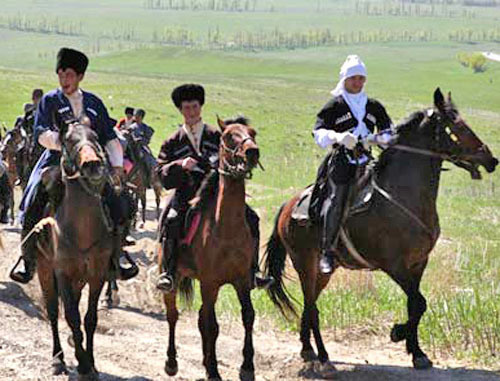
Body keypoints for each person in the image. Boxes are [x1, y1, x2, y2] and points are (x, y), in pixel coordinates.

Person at [10, 47, 138, 284]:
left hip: (92, 163)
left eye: (69, 74)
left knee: (116, 198)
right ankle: (27, 259)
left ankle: (119, 253)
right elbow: (40, 133)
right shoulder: (49, 100)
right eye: (60, 74)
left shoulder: (94, 103)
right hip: (57, 159)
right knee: (34, 195)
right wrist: (66, 144)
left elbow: (109, 137)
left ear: (80, 76)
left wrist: (118, 166)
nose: (64, 79)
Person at [155, 83, 273, 292]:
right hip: (185, 194)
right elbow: (160, 173)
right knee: (171, 219)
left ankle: (253, 270)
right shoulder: (172, 141)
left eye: (194, 107)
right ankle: (170, 272)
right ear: (181, 111)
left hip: (217, 194)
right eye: (186, 108)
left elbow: (233, 156)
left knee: (252, 217)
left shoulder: (217, 135)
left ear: (201, 108)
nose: (191, 112)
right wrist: (179, 165)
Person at [313, 55, 393, 274]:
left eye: (361, 78)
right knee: (337, 197)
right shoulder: (335, 105)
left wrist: (376, 139)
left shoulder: (374, 106)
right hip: (342, 160)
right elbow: (318, 133)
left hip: (368, 160)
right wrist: (338, 137)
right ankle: (327, 251)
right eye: (353, 78)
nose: (358, 82)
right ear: (345, 79)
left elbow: (388, 132)